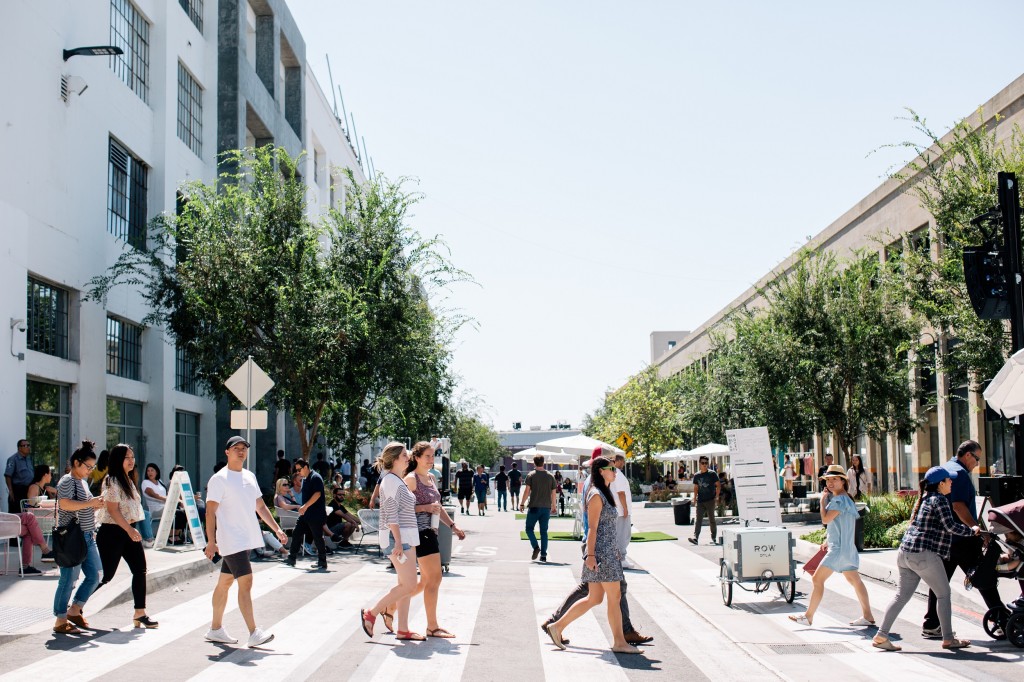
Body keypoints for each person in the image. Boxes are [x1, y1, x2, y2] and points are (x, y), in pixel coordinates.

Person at [543, 452, 653, 647]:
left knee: (594, 598)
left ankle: (557, 626)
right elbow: (593, 528)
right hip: (601, 553)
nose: (615, 472)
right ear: (602, 471)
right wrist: (591, 555)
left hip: (607, 550)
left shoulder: (605, 491)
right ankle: (620, 641)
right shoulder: (596, 494)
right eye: (612, 469)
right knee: (614, 595)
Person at [872, 466, 980, 651]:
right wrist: (972, 531)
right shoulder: (940, 500)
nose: (951, 482)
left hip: (905, 553)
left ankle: (881, 635)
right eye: (948, 480)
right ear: (940, 484)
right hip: (923, 554)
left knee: (901, 596)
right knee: (943, 594)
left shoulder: (923, 499)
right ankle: (948, 639)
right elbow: (950, 526)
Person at [204, 435, 287, 647]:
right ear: (227, 452)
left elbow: (260, 506)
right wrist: (211, 541)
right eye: (236, 448)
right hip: (231, 539)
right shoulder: (219, 479)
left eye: (244, 448)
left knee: (225, 582)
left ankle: (215, 629)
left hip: (246, 538)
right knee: (246, 581)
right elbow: (210, 512)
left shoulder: (249, 476)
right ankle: (253, 632)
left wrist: (276, 529)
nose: (241, 451)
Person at [377, 441, 465, 638]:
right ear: (416, 457)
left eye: (433, 456)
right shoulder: (410, 479)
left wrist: (452, 525)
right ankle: (432, 626)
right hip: (417, 532)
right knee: (434, 578)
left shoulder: (432, 478)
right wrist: (424, 509)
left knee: (425, 581)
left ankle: (391, 606)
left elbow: (438, 506)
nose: (431, 460)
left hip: (430, 531)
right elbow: (402, 509)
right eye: (427, 456)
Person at [921, 440, 1005, 638]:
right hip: (962, 538)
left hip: (946, 540)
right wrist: (976, 529)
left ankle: (931, 623)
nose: (977, 463)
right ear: (967, 455)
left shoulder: (946, 467)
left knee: (939, 582)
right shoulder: (958, 474)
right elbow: (958, 506)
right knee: (984, 577)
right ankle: (1002, 620)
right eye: (976, 458)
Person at [788, 465, 874, 628]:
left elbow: (826, 520)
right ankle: (868, 616)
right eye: (828, 479)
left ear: (843, 481)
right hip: (847, 549)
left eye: (835, 479)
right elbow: (843, 525)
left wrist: (822, 502)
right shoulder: (847, 499)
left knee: (817, 579)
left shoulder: (838, 500)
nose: (831, 482)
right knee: (855, 581)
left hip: (838, 550)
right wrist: (829, 540)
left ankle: (808, 616)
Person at [361, 442, 423, 641]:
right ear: (395, 458)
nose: (408, 457)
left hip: (403, 538)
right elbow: (390, 514)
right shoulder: (390, 481)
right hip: (398, 539)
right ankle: (372, 612)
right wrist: (397, 542)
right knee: (410, 585)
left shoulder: (397, 480)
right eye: (405, 455)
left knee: (405, 584)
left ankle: (403, 629)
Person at [95, 444, 157, 629]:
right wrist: (130, 530)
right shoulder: (112, 480)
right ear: (117, 460)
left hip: (129, 530)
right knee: (106, 575)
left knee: (140, 570)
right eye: (127, 457)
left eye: (133, 457)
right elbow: (113, 510)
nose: (131, 461)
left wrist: (131, 529)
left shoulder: (127, 479)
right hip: (113, 532)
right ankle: (75, 605)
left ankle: (140, 613)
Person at [52, 441, 106, 634]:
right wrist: (90, 503)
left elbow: (84, 504)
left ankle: (75, 610)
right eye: (88, 467)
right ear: (76, 463)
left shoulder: (82, 482)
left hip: (87, 535)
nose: (89, 471)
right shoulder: (67, 481)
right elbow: (65, 504)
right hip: (72, 537)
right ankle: (60, 619)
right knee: (68, 579)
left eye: (92, 468)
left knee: (96, 575)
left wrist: (94, 504)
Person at [286, 458, 328, 570]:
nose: (298, 473)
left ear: (306, 467)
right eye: (296, 471)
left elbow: (317, 494)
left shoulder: (315, 477)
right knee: (296, 533)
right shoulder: (305, 479)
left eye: (299, 470)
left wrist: (305, 506)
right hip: (305, 514)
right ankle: (291, 558)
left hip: (316, 514)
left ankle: (322, 561)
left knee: (317, 537)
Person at [520, 454, 557, 562]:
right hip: (546, 507)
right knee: (544, 532)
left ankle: (536, 546)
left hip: (534, 506)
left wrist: (522, 503)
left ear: (534, 463)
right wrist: (554, 506)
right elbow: (553, 493)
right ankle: (544, 555)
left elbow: (527, 491)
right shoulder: (550, 476)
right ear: (543, 462)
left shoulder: (531, 475)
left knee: (529, 529)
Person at [688, 456, 721, 546]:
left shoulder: (712, 474)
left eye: (706, 463)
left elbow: (718, 485)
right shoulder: (697, 475)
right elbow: (696, 487)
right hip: (701, 500)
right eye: (703, 463)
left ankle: (713, 537)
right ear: (699, 464)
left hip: (710, 500)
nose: (704, 465)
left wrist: (716, 496)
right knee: (698, 520)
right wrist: (694, 499)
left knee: (711, 519)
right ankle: (696, 538)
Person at [610, 453, 634, 569]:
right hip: (621, 510)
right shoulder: (617, 474)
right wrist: (625, 508)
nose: (623, 464)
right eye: (622, 461)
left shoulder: (615, 474)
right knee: (623, 535)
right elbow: (621, 493)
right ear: (617, 461)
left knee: (620, 534)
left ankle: (619, 557)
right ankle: (621, 558)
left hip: (619, 509)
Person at [5, 439, 34, 513]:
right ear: (19, 448)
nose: (28, 447)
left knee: (27, 513)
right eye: (25, 445)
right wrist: (11, 491)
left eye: (28, 445)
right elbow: (8, 475)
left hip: (28, 490)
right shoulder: (13, 459)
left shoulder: (29, 459)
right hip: (18, 491)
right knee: (17, 513)